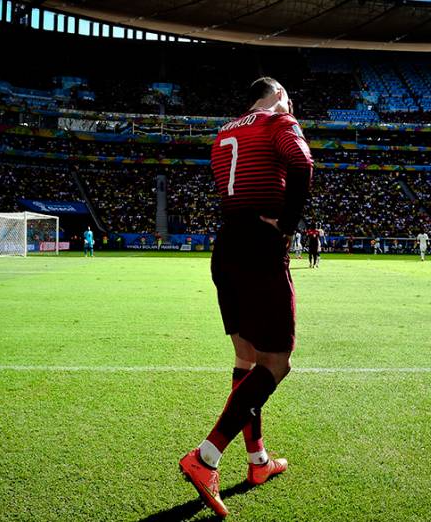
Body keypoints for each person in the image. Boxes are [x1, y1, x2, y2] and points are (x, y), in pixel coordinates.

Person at [179, 77, 313, 518]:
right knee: (278, 362)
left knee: (247, 359)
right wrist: (288, 224)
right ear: (276, 93)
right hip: (260, 246)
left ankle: (258, 462)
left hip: (226, 247)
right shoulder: (278, 120)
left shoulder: (224, 132)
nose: (290, 102)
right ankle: (206, 457)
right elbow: (302, 165)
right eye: (288, 95)